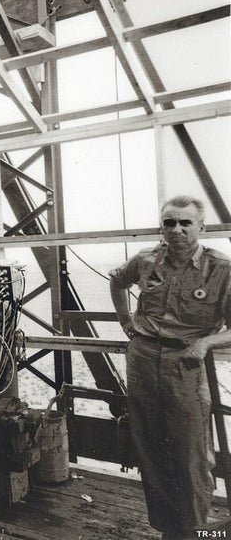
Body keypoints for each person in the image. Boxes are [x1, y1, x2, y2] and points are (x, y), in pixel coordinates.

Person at [109, 195, 231, 539]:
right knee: (150, 445)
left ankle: (193, 530)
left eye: (185, 223)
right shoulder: (147, 259)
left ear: (201, 227)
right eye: (169, 223)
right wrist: (125, 323)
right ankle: (168, 528)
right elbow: (118, 282)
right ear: (161, 227)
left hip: (185, 366)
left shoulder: (221, 268)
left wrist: (205, 343)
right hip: (144, 359)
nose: (176, 230)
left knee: (190, 452)